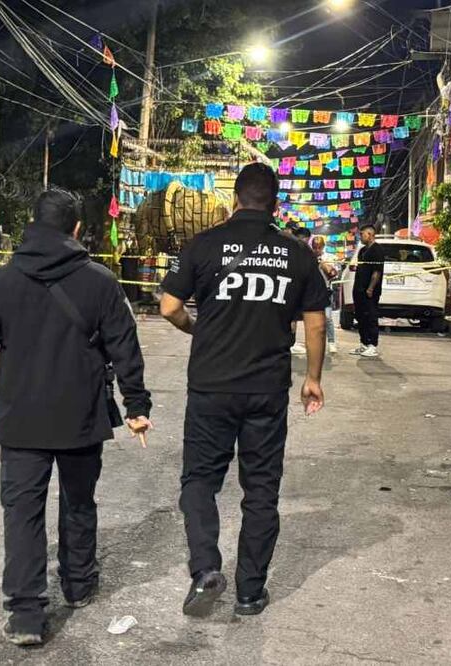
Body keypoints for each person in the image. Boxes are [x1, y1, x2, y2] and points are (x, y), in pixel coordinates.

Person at [0, 189, 153, 647]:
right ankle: (79, 584)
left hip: (20, 418)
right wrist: (136, 407)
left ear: (32, 224)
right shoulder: (101, 282)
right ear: (77, 230)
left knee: (22, 513)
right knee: (79, 500)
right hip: (80, 415)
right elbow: (125, 347)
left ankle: (26, 614)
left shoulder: (3, 282)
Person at [159, 163, 328, 618]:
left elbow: (169, 306)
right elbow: (315, 322)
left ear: (235, 198)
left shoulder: (204, 244)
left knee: (198, 481)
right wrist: (313, 378)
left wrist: (196, 328)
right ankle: (250, 592)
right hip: (266, 391)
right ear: (275, 204)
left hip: (212, 386)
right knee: (261, 491)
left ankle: (205, 569)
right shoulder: (297, 254)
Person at [352, 225, 384, 357]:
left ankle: (373, 345)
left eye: (363, 234)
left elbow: (377, 272)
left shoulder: (377, 250)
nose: (361, 236)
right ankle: (364, 343)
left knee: (371, 316)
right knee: (361, 317)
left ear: (370, 234)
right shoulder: (362, 250)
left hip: (369, 291)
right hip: (359, 289)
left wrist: (371, 288)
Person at [312, 235, 339, 353]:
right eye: (315, 247)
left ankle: (331, 342)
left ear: (323, 247)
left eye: (319, 247)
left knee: (328, 318)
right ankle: (314, 343)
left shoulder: (329, 257)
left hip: (325, 291)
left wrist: (323, 264)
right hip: (311, 292)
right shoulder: (308, 257)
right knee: (312, 319)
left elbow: (334, 274)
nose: (317, 250)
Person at [289, 227, 314, 355]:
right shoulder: (300, 250)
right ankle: (289, 343)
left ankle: (291, 343)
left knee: (293, 319)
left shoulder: (293, 248)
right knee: (291, 320)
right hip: (291, 289)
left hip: (294, 289)